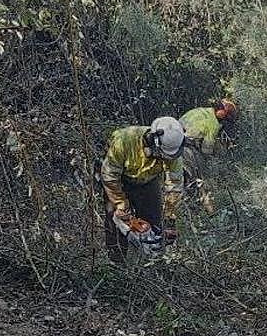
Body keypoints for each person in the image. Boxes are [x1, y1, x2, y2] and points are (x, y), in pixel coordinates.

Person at [100, 116, 186, 263]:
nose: (166, 159)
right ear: (153, 141)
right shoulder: (124, 141)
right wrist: (121, 203)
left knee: (155, 223)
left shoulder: (173, 151)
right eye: (163, 155)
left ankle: (154, 261)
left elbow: (175, 185)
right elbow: (109, 175)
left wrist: (169, 217)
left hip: (148, 181)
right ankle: (116, 262)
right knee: (114, 220)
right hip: (120, 180)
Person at [180, 99, 238, 180]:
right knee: (199, 174)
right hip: (188, 146)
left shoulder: (200, 110)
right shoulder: (213, 123)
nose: (224, 118)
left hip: (175, 140)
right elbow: (206, 148)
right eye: (226, 115)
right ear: (222, 111)